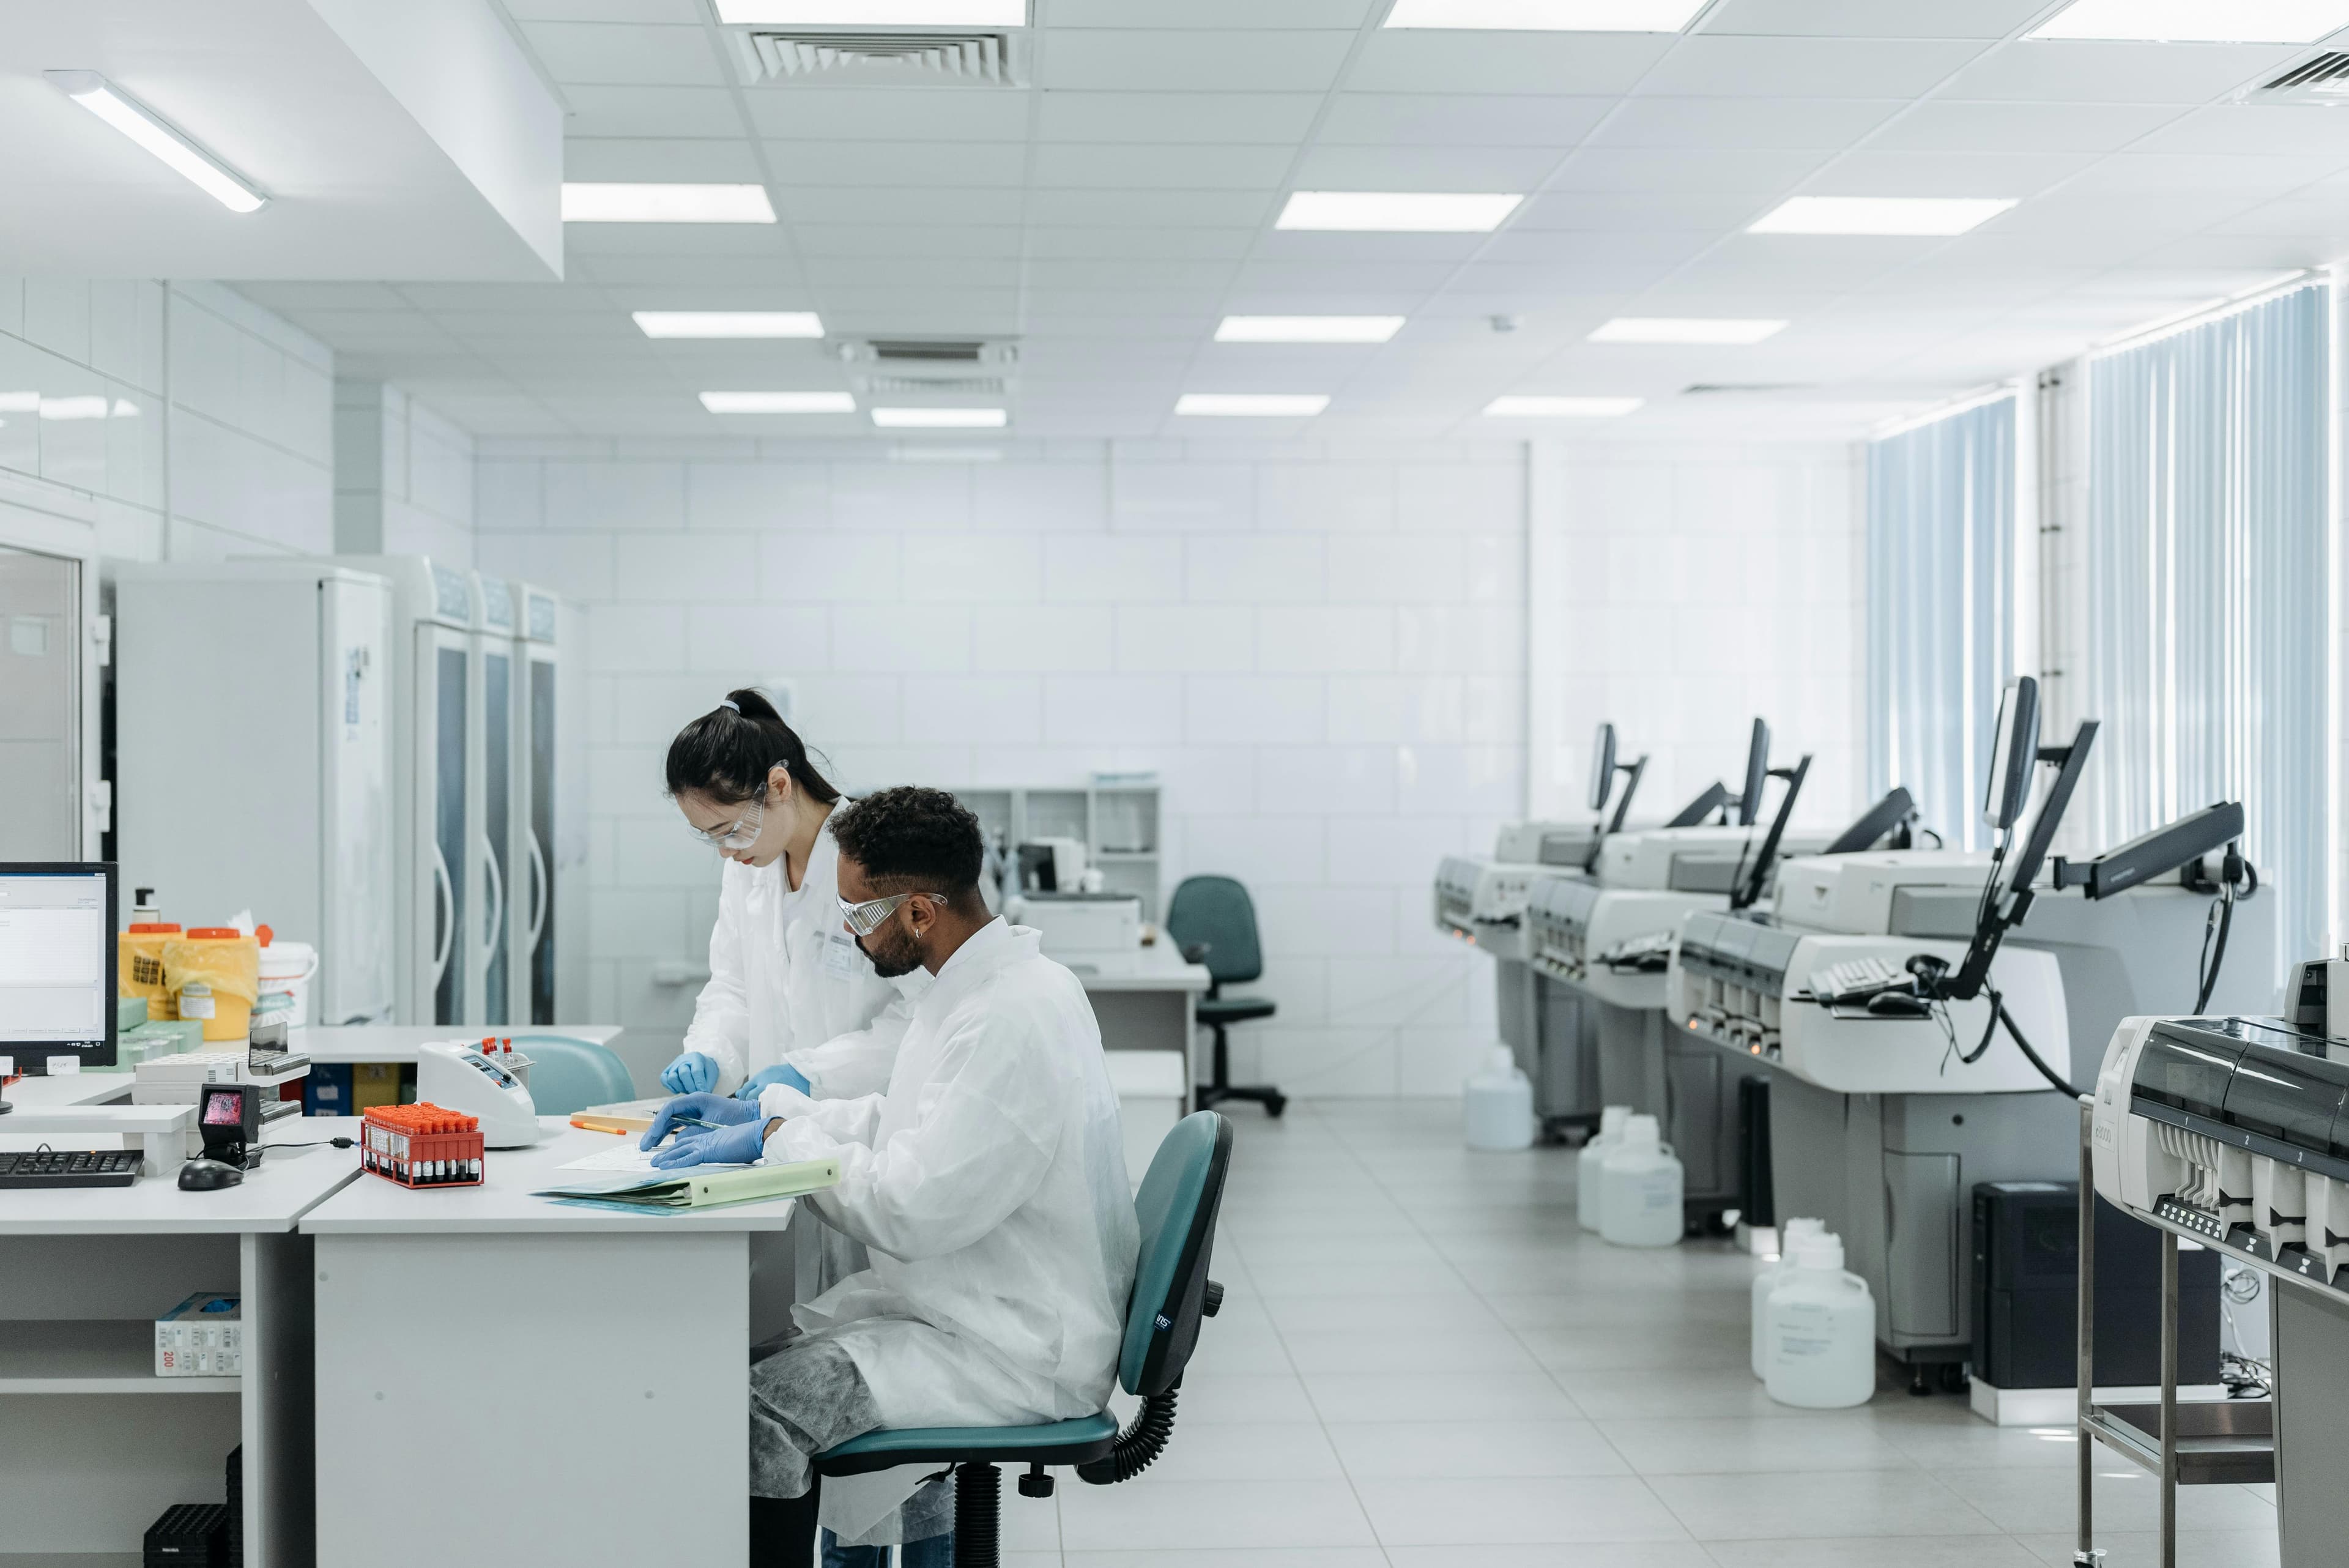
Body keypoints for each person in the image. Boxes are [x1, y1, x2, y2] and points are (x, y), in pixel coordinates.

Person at [640, 786, 1139, 1563]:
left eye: (859, 913)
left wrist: (777, 1139)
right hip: (979, 1309)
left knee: (756, 1409)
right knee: (750, 1365)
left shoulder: (1006, 1017)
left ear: (919, 913)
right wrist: (766, 1110)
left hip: (1016, 1348)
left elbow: (907, 1205)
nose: (849, 928)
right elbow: (906, 1121)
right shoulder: (978, 989)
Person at [660, 689, 924, 1105]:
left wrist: (815, 1074)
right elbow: (733, 985)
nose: (726, 851)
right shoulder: (748, 869)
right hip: (776, 1125)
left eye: (730, 830)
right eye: (711, 837)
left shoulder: (875, 860)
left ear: (779, 785)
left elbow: (923, 1013)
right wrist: (711, 1050)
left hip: (869, 1120)